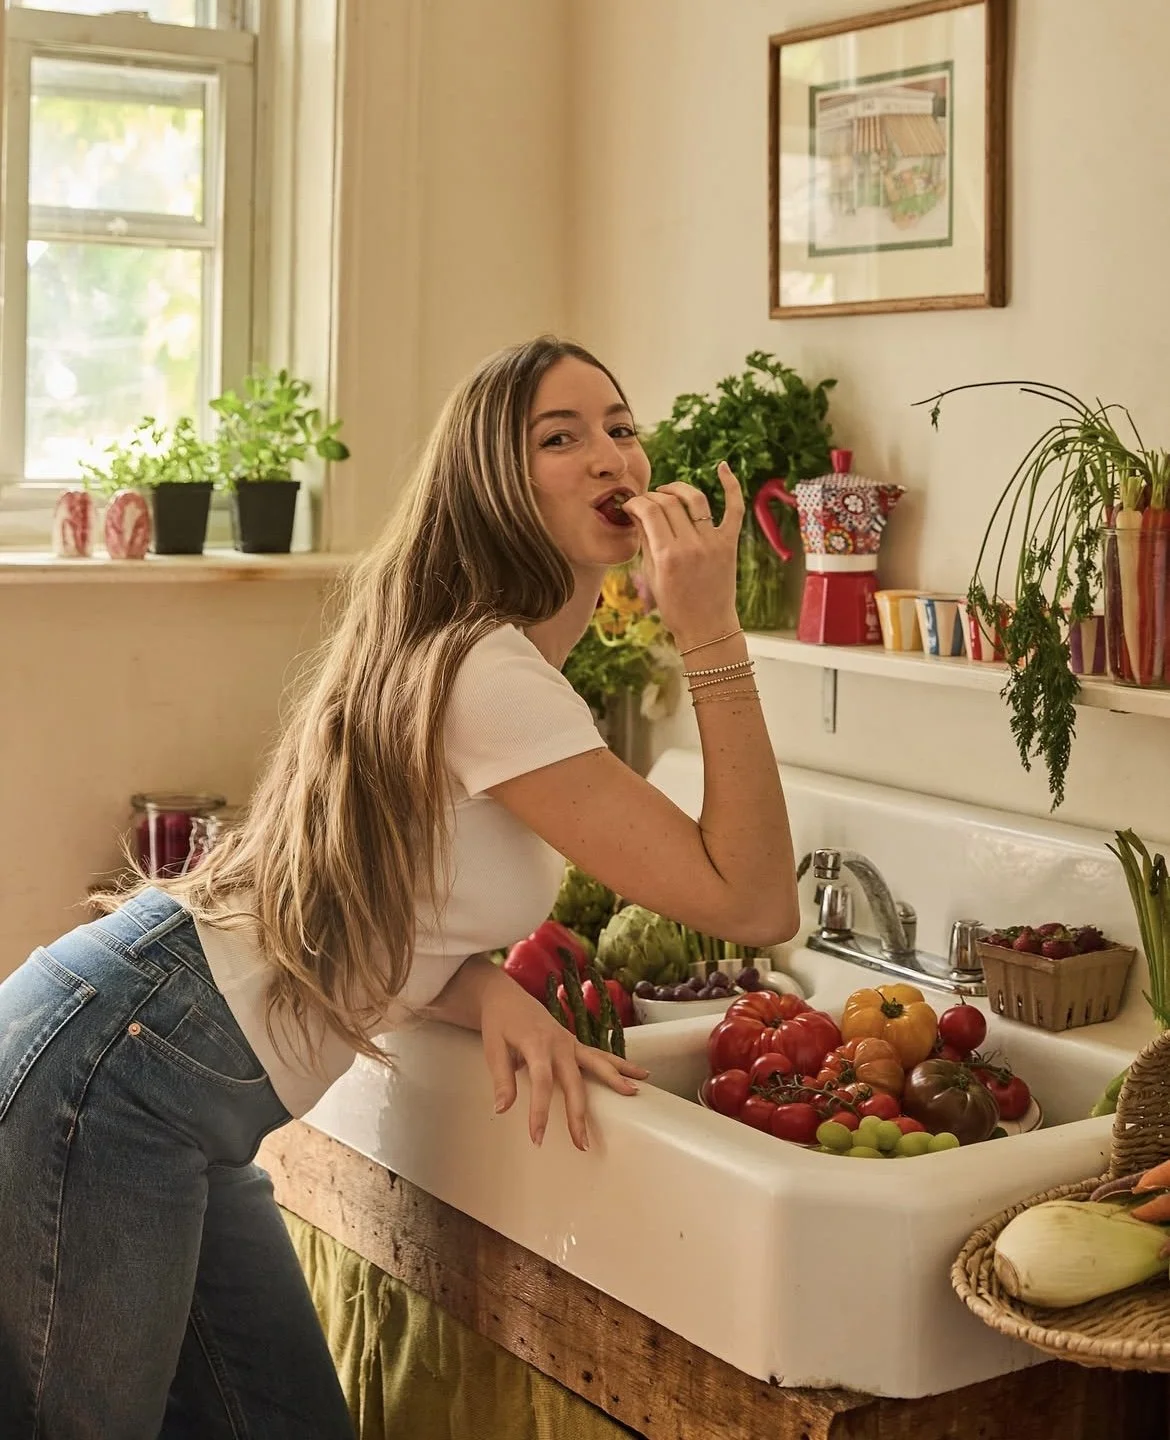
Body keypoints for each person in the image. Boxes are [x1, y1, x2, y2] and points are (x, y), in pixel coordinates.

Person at [0, 335, 800, 1438]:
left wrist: (485, 992)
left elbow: (373, 909)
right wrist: (710, 631)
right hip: (120, 1069)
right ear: (492, 486)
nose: (610, 455)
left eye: (619, 426)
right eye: (558, 439)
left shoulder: (485, 661)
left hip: (154, 1070)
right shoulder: (492, 676)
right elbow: (756, 905)